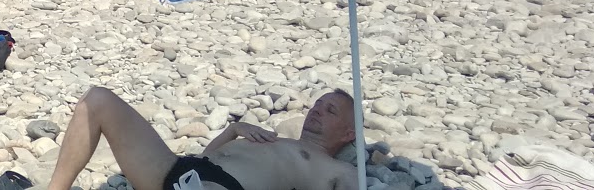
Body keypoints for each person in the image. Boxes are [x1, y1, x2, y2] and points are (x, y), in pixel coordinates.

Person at [34, 86, 359, 190]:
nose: (316, 110)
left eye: (330, 110)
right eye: (317, 103)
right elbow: (210, 158)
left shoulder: (335, 170)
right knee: (98, 100)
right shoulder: (275, 137)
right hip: (179, 169)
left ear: (349, 133)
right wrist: (232, 130)